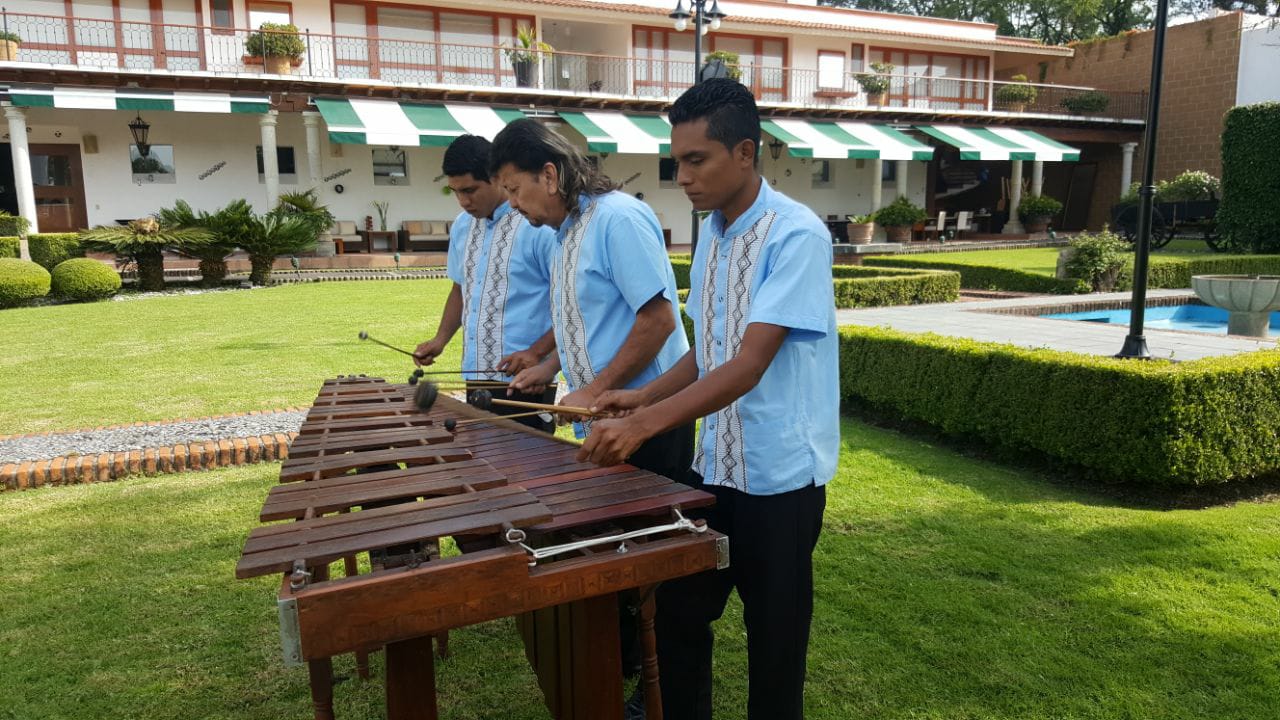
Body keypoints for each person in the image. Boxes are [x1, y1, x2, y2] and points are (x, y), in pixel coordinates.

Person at [577, 78, 839, 720]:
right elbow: (711, 347)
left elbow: (748, 365)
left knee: (776, 647)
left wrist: (645, 424)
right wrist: (637, 396)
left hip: (780, 483)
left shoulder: (795, 236)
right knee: (679, 612)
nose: (683, 176)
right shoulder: (716, 233)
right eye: (678, 161)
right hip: (715, 471)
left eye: (698, 160)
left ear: (745, 153)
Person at [491, 118, 694, 483]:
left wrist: (592, 390)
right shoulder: (563, 234)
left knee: (651, 530)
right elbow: (588, 322)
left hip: (651, 417)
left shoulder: (617, 219)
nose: (512, 203)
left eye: (514, 189)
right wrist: (549, 366)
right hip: (606, 416)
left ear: (549, 176)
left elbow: (658, 321)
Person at [414, 134, 559, 432]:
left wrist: (537, 352)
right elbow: (460, 288)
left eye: (470, 190)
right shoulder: (462, 226)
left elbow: (571, 304)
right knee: (482, 464)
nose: (463, 201)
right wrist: (440, 340)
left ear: (497, 179)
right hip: (475, 374)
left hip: (527, 379)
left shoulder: (538, 226)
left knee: (530, 471)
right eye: (454, 191)